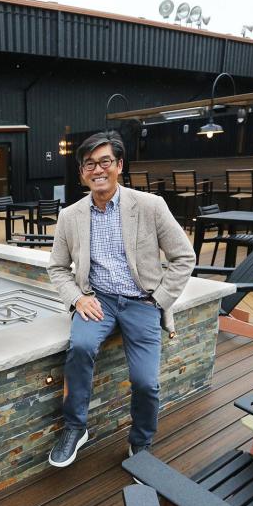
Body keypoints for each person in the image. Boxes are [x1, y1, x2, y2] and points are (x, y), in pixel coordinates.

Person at [46, 131, 195, 468]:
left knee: (145, 382)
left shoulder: (149, 206)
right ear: (82, 173)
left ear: (119, 166)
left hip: (142, 301)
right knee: (80, 348)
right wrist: (76, 300)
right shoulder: (70, 216)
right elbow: (56, 267)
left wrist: (157, 300)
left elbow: (184, 257)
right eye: (89, 165)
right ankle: (75, 427)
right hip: (98, 301)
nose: (98, 170)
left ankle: (140, 443)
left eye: (105, 162)